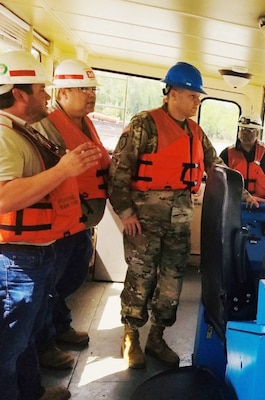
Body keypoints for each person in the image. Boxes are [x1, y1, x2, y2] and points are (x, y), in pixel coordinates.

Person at [108, 61, 236, 369]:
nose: (197, 101)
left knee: (171, 284)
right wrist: (125, 212)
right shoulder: (144, 125)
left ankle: (157, 338)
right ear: (173, 93)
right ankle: (131, 335)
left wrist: (242, 192)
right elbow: (118, 172)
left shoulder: (195, 132)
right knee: (141, 279)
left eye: (198, 97)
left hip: (178, 223)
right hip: (144, 221)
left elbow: (215, 166)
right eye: (193, 95)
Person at [0, 51, 102, 400]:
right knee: (8, 345)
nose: (47, 95)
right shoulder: (2, 136)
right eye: (41, 88)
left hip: (38, 249)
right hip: (15, 259)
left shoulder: (21, 131)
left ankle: (32, 392)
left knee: (23, 338)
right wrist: (63, 170)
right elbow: (2, 199)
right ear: (18, 93)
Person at [32, 59, 111, 369]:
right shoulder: (47, 125)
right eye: (83, 89)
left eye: (92, 89)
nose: (91, 95)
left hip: (82, 221)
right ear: (62, 93)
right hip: (59, 223)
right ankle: (44, 344)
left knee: (73, 276)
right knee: (51, 285)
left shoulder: (85, 122)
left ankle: (59, 325)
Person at [219, 112, 265, 201]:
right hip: (234, 200)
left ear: (257, 133)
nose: (245, 133)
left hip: (261, 201)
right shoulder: (227, 153)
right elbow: (218, 173)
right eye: (243, 129)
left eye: (250, 130)